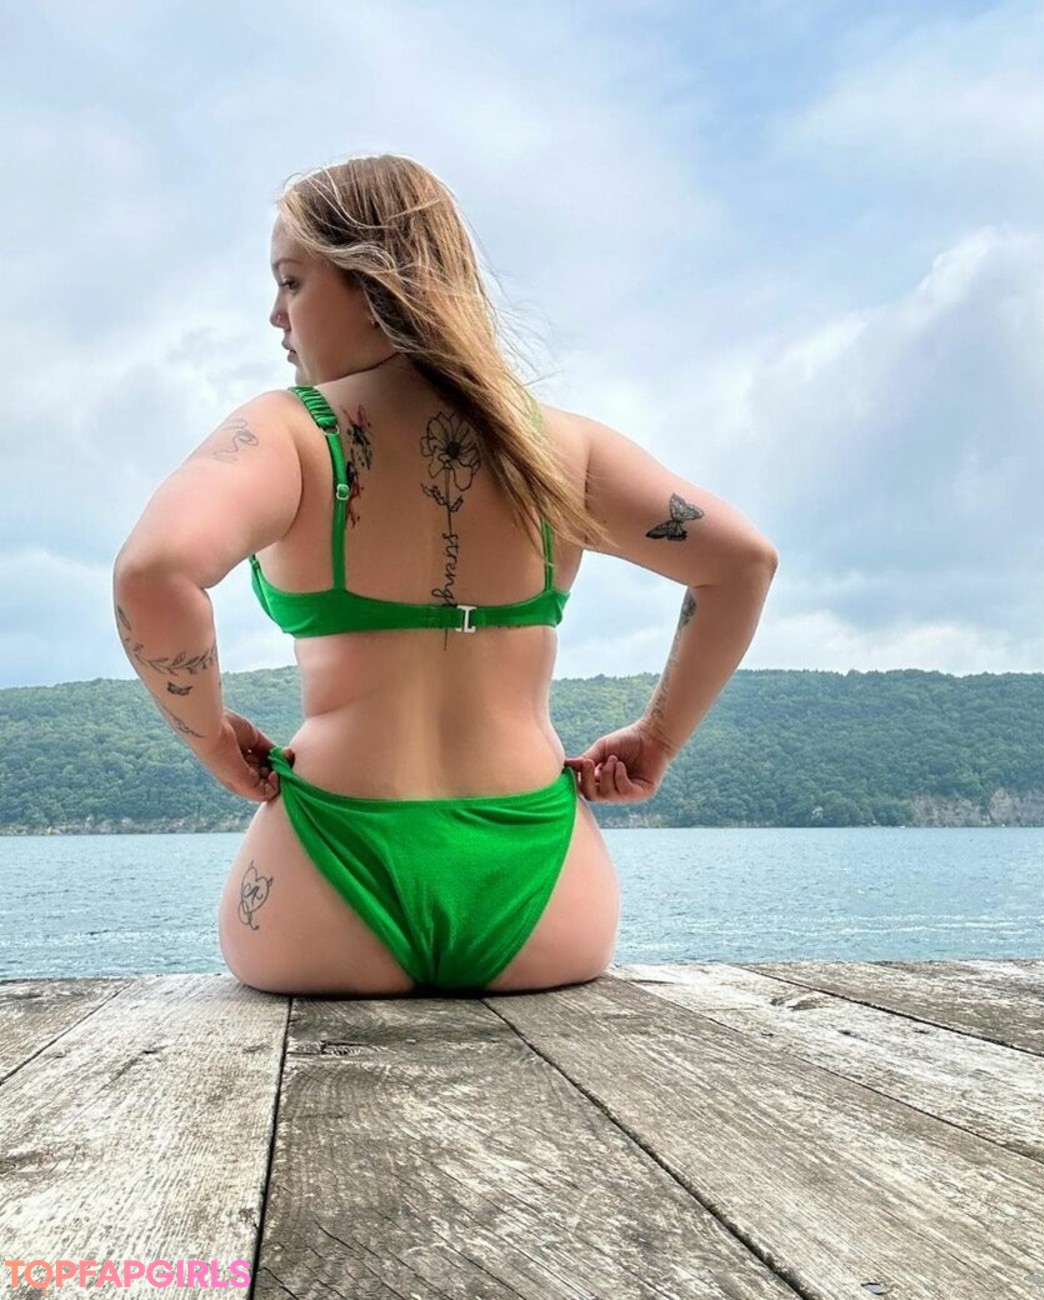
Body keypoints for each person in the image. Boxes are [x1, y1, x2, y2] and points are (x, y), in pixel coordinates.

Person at [112, 154, 779, 999]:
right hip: (547, 892)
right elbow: (741, 563)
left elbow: (154, 572)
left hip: (320, 888)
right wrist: (658, 739)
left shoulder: (290, 434)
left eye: (292, 281)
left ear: (371, 286)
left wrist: (211, 739)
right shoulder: (557, 447)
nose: (275, 314)